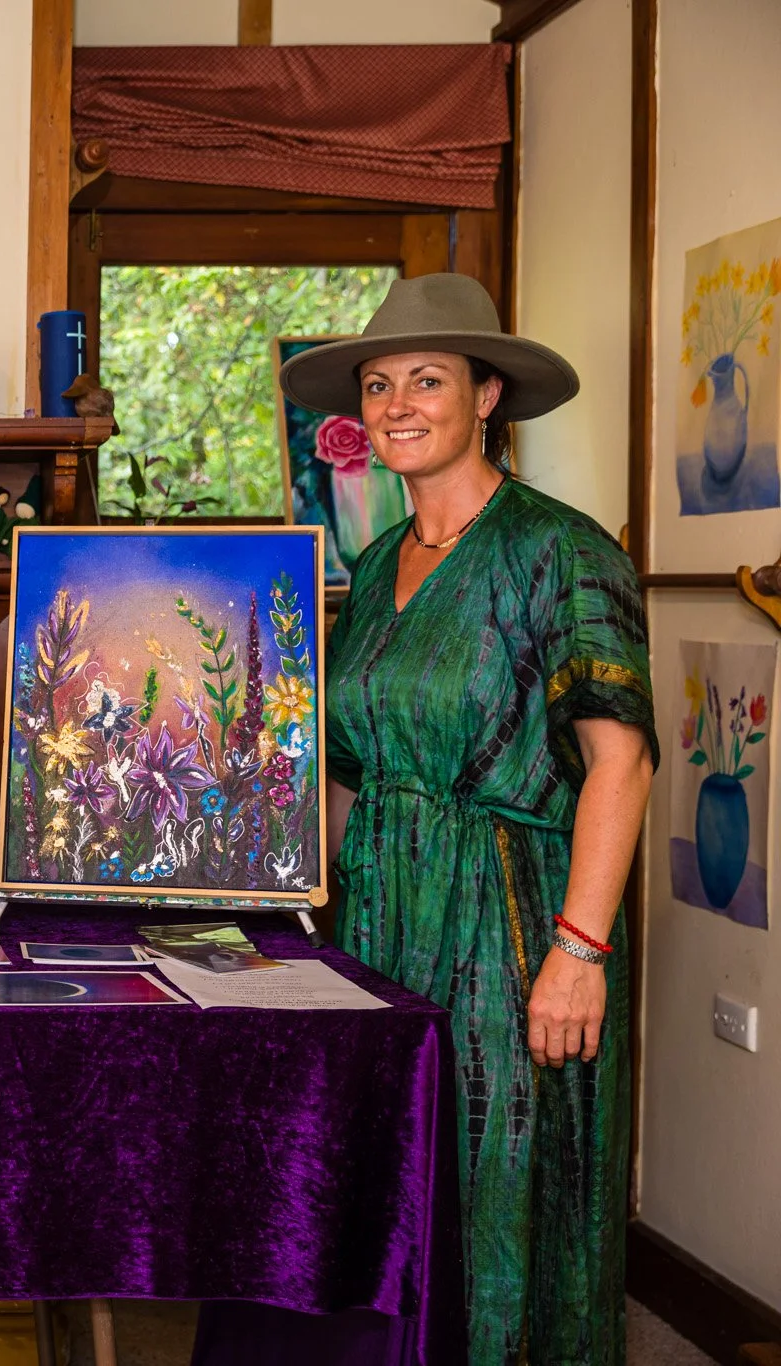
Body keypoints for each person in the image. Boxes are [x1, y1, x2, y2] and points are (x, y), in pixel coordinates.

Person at [208, 273, 655, 1366]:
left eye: (426, 378)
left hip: (511, 928)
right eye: (376, 383)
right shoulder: (367, 568)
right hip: (378, 928)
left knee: (500, 1194)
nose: (397, 402)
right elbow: (346, 774)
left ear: (485, 394)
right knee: (383, 1195)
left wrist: (577, 953)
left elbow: (621, 760)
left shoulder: (560, 550)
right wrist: (259, 913)